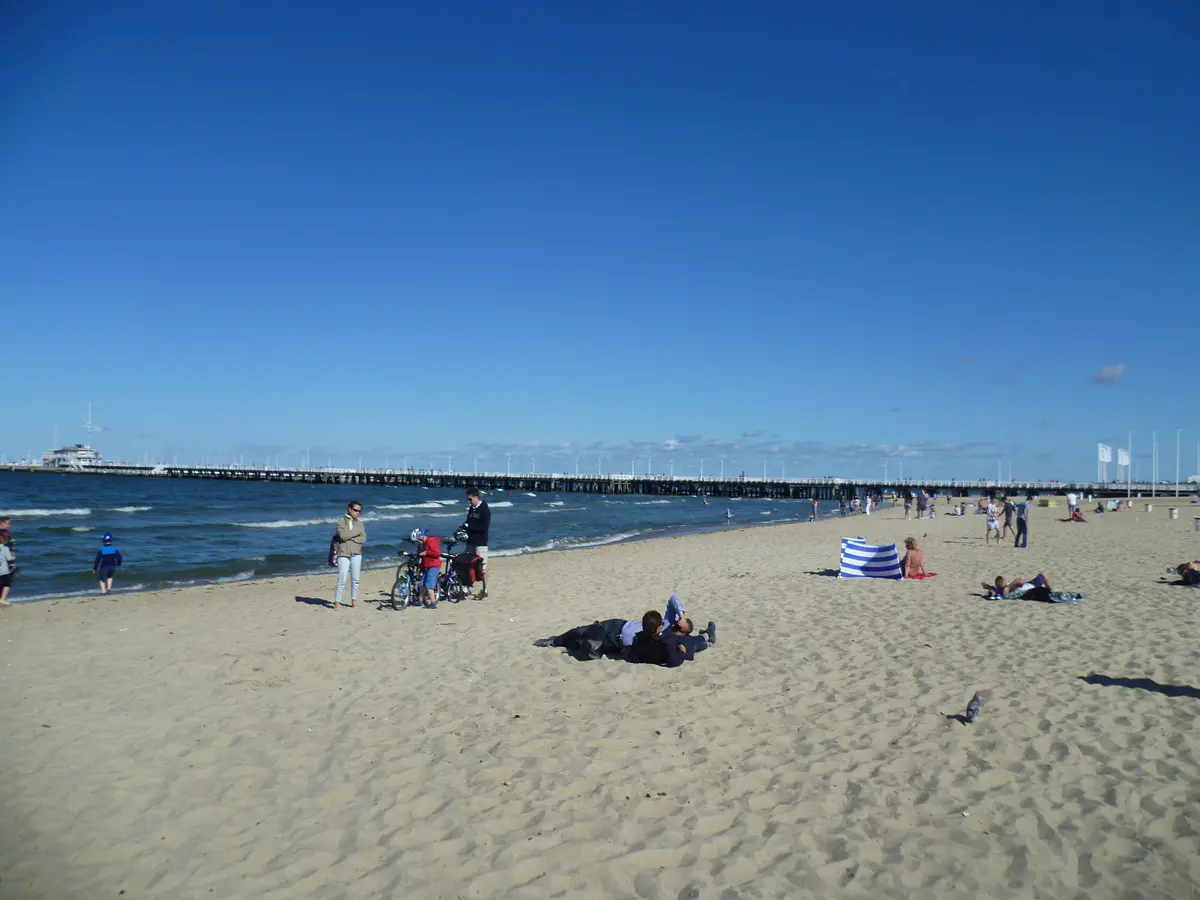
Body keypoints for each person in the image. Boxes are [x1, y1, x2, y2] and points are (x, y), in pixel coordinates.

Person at [332, 500, 366, 609]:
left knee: (356, 579)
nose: (357, 513)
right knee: (342, 578)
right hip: (343, 553)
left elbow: (363, 538)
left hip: (357, 553)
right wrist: (356, 533)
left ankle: (354, 600)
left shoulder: (360, 523)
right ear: (349, 509)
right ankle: (337, 601)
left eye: (359, 511)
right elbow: (343, 536)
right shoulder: (341, 521)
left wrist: (351, 537)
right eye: (355, 510)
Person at [463, 488, 490, 599]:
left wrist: (470, 527)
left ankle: (484, 590)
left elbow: (484, 527)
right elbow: (468, 522)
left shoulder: (484, 509)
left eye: (470, 499)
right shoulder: (472, 508)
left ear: (476, 497)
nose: (469, 501)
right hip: (470, 541)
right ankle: (465, 588)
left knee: (482, 567)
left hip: (481, 543)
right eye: (468, 499)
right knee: (466, 564)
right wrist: (463, 528)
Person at [412, 528, 442, 608]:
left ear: (421, 537)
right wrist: (420, 570)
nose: (417, 542)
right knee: (421, 584)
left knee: (429, 585)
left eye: (417, 540)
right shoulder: (424, 544)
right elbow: (423, 560)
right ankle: (420, 601)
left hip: (434, 566)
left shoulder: (431, 541)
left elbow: (437, 553)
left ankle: (433, 603)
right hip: (427, 566)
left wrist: (426, 552)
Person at [0, 533, 13, 607]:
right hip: (3, 571)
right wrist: (13, 555)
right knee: (7, 584)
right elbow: (9, 558)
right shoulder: (5, 548)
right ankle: (2, 599)